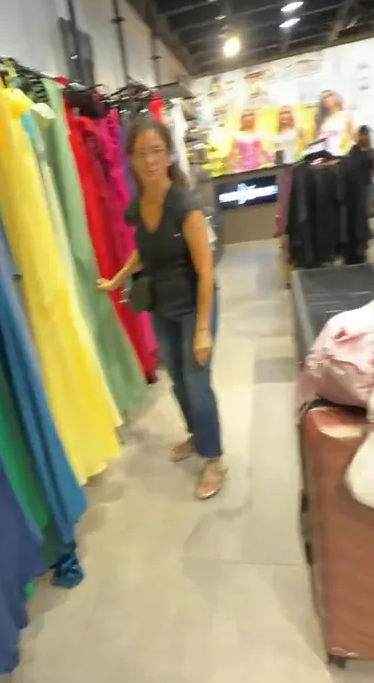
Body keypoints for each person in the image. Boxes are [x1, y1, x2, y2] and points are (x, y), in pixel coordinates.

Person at [97, 117, 226, 500]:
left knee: (197, 383)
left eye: (156, 151)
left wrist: (202, 329)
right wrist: (118, 278)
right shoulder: (140, 206)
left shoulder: (185, 206)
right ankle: (197, 434)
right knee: (179, 382)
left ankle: (214, 458)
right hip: (162, 307)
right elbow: (144, 247)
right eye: (141, 153)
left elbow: (205, 270)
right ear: (131, 160)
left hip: (195, 306)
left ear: (169, 155)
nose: (150, 160)